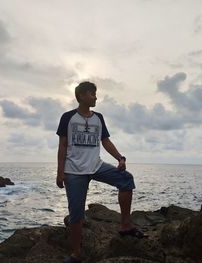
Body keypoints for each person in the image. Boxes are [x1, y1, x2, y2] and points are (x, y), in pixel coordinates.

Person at [56, 81, 144, 263]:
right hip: (74, 171)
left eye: (95, 94)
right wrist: (60, 172)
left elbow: (105, 141)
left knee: (126, 179)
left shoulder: (99, 118)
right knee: (76, 213)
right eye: (92, 94)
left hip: (96, 165)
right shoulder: (68, 117)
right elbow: (63, 145)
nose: (96, 97)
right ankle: (76, 253)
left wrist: (120, 158)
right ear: (81, 96)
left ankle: (125, 225)